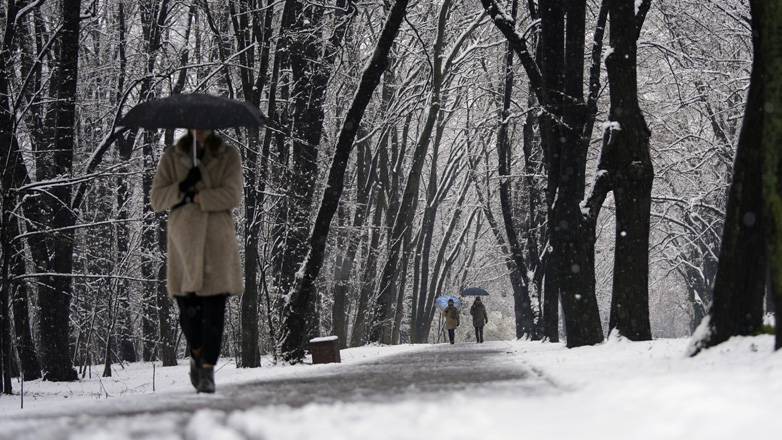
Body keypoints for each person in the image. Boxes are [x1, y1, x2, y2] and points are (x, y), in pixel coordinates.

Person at [150, 128, 244, 393]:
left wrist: (196, 197)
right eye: (195, 124)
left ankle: (207, 371)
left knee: (214, 312)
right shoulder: (172, 157)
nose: (201, 129)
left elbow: (232, 195)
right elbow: (157, 200)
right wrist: (182, 186)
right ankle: (196, 351)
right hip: (184, 244)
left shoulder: (228, 156)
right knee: (189, 312)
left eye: (206, 124)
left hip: (217, 242)